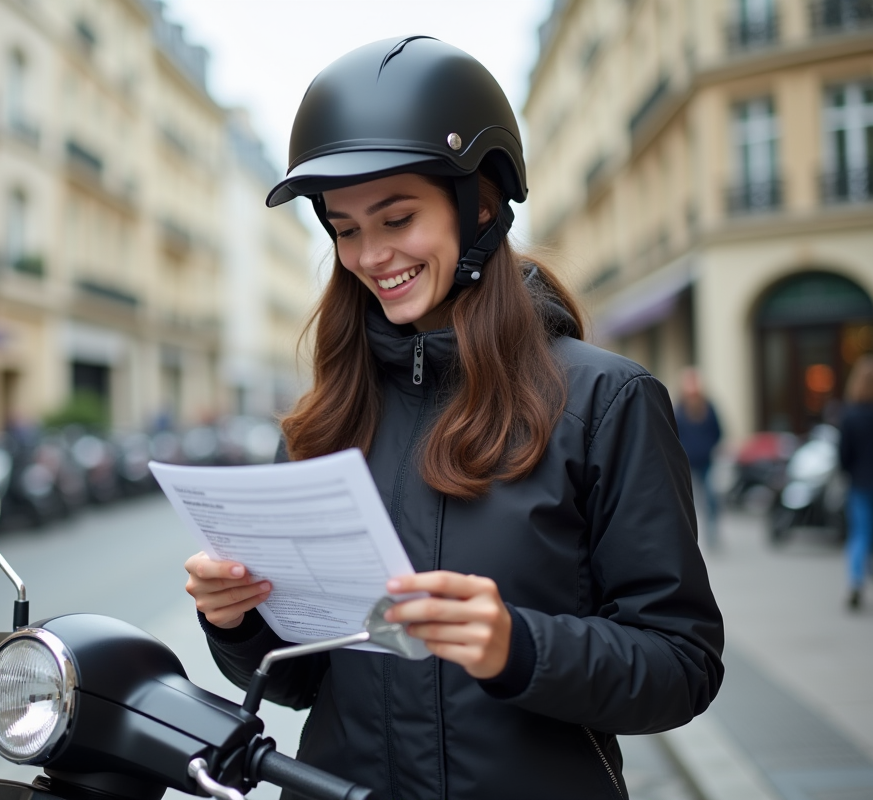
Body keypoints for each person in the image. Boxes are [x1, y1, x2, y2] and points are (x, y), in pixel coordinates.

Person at [184, 37, 724, 799]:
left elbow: (682, 665)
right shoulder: (323, 419)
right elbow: (303, 682)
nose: (369, 255)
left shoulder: (607, 401)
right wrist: (236, 623)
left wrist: (520, 646)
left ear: (480, 205)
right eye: (343, 228)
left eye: (397, 217)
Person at [674, 367, 724, 549]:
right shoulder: (678, 410)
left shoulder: (708, 407)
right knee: (687, 501)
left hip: (707, 462)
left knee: (711, 498)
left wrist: (708, 448)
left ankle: (712, 534)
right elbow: (674, 435)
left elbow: (718, 431)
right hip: (686, 463)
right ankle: (688, 538)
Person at [839, 354, 873, 610]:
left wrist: (848, 472)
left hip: (860, 482)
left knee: (859, 534)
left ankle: (855, 581)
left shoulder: (850, 415)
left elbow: (844, 454)